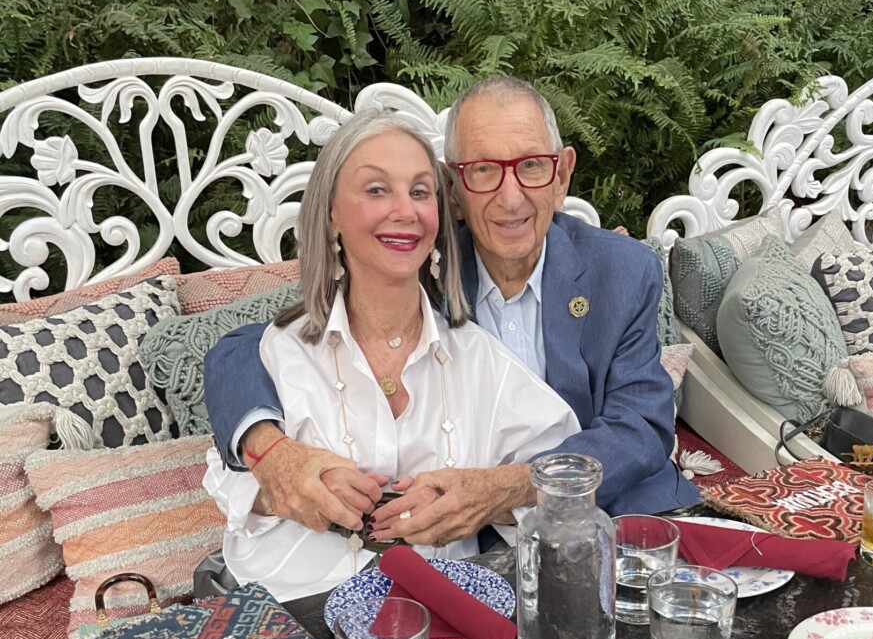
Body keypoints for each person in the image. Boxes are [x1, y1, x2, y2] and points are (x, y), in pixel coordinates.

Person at [203, 77, 700, 552]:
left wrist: (504, 489)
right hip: (490, 550)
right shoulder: (412, 259)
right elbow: (251, 345)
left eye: (531, 166)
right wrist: (270, 449)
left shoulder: (622, 270)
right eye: (483, 169)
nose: (510, 197)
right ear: (453, 186)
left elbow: (639, 429)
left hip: (623, 514)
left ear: (562, 173)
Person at [202, 109, 580, 601]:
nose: (405, 210)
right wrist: (280, 483)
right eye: (377, 189)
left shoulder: (478, 359)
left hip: (437, 626)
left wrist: (489, 497)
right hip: (291, 616)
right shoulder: (279, 351)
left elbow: (563, 480)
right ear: (332, 212)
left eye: (421, 192)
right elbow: (235, 489)